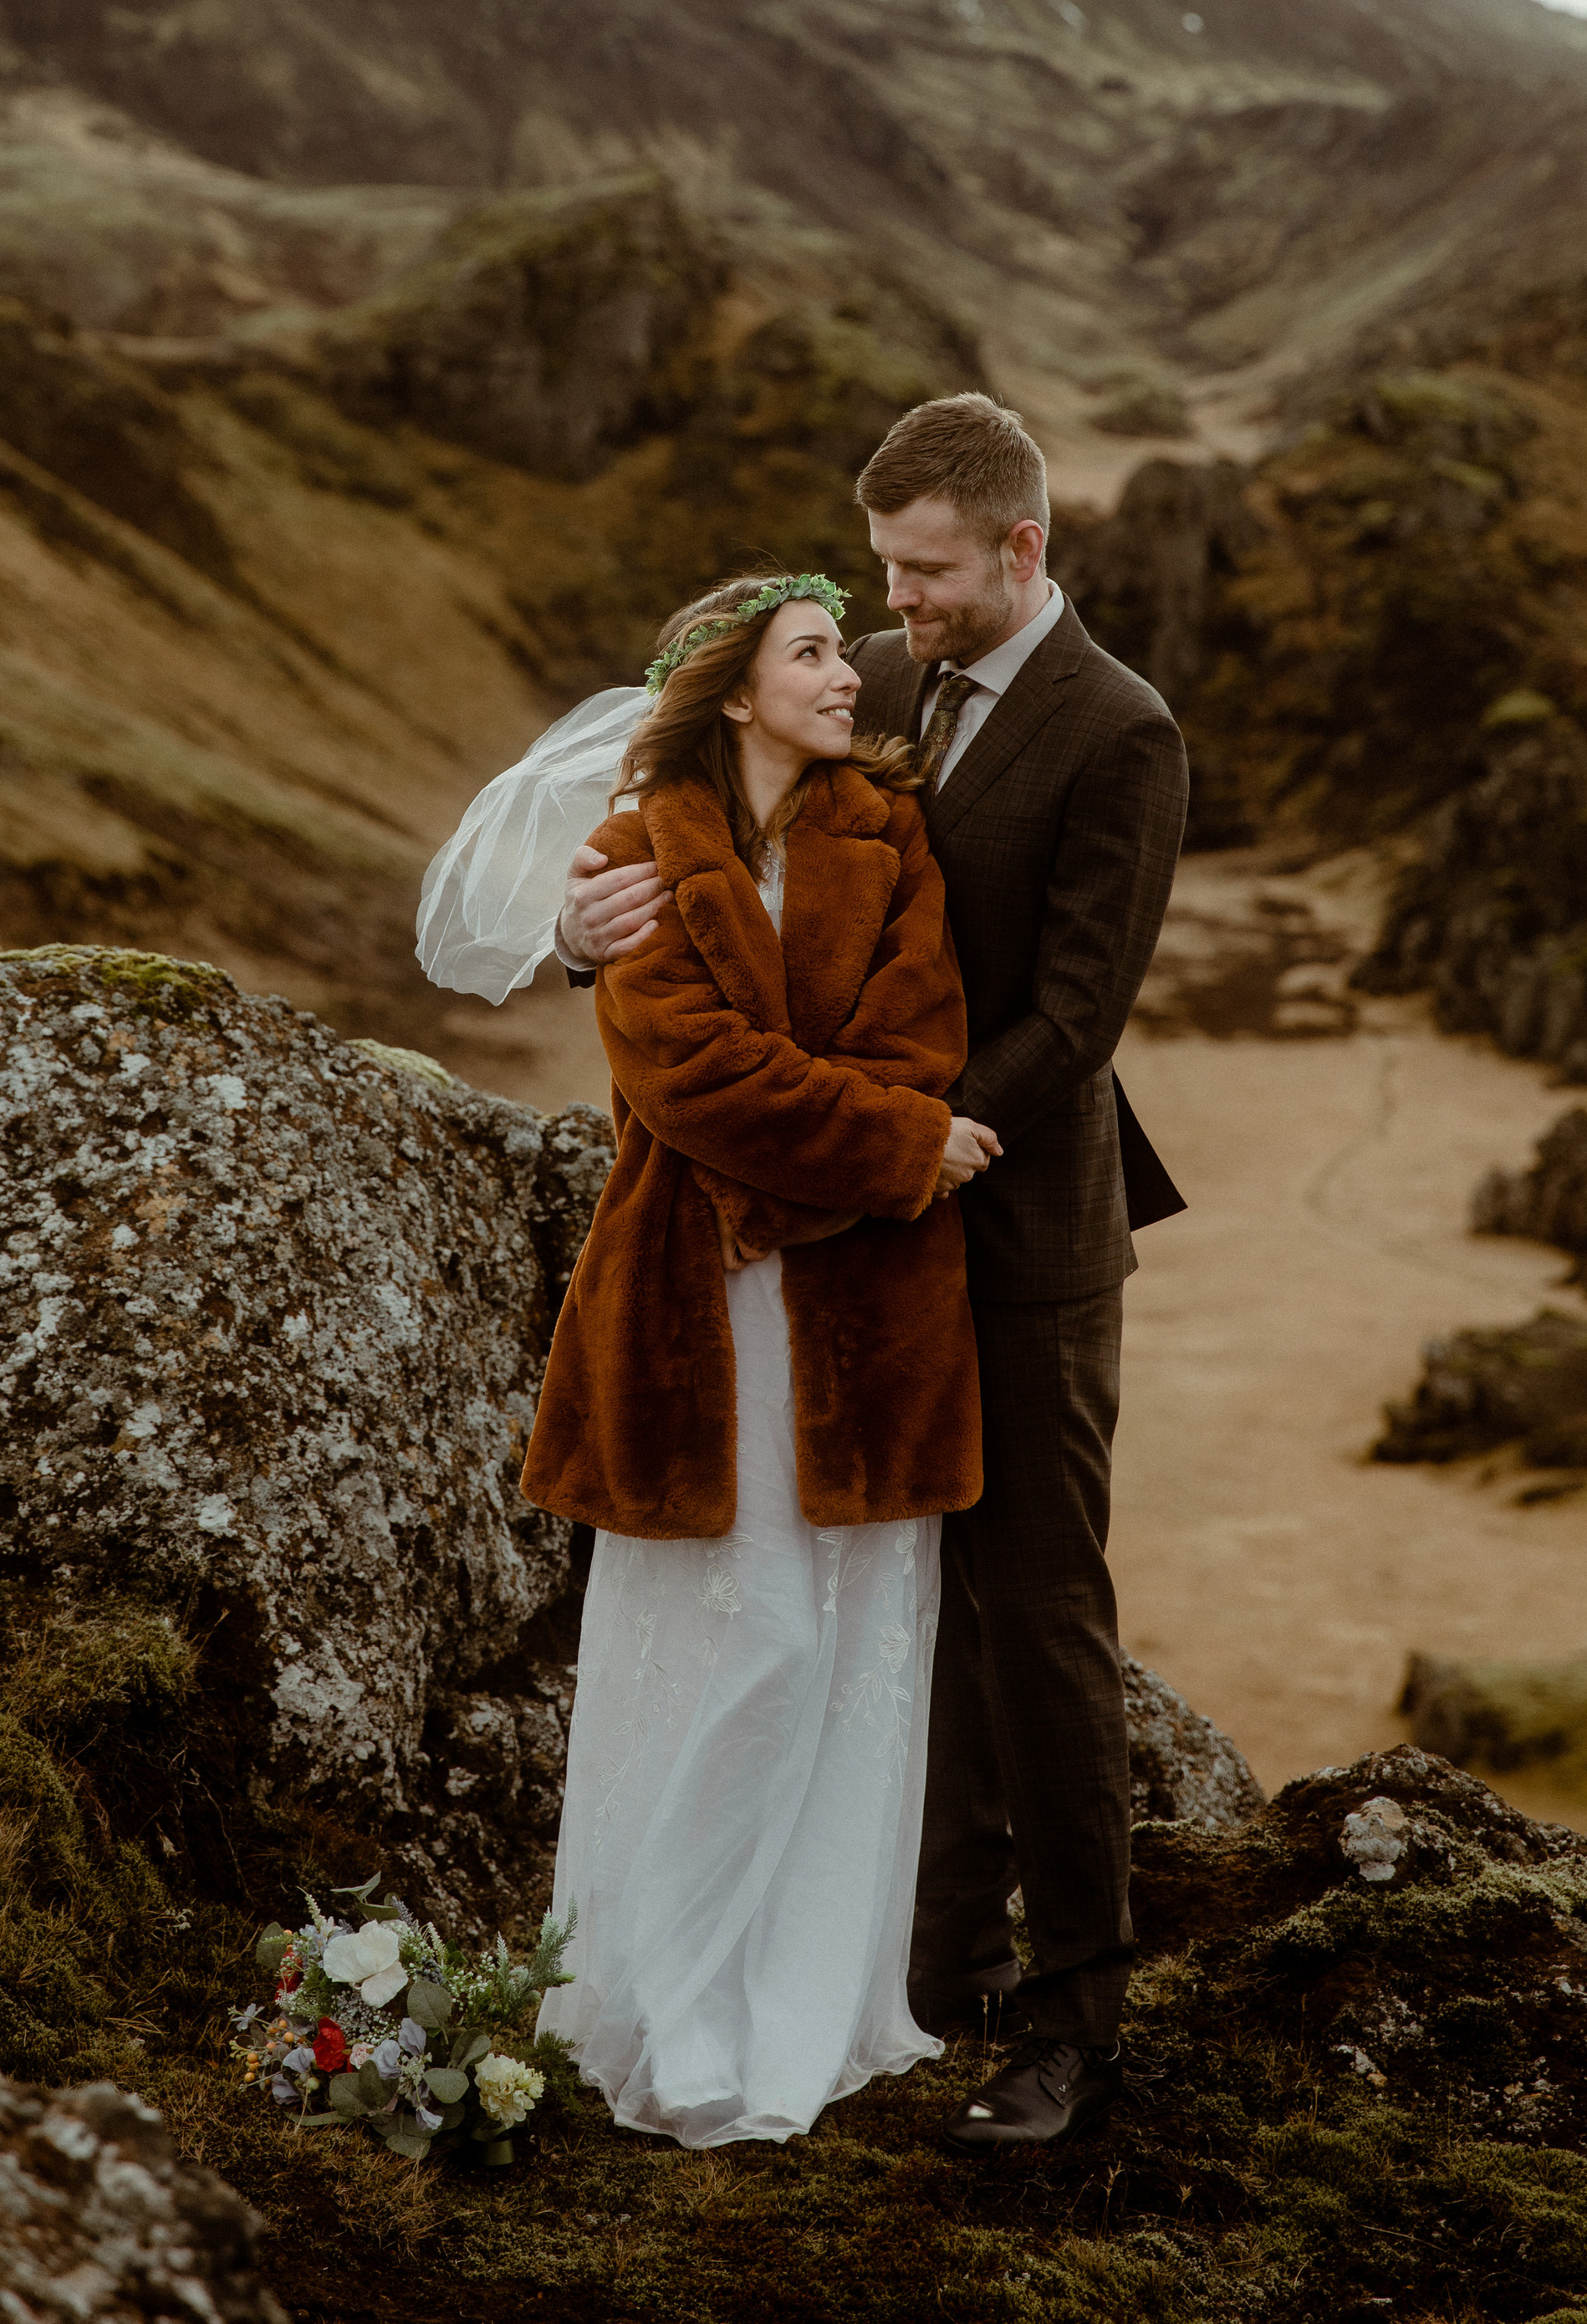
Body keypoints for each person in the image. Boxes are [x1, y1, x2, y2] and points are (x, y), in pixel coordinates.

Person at [558, 395, 1189, 2150]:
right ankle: (929, 1960)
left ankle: (1075, 2022)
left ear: (1020, 550)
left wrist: (920, 1138)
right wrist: (577, 931)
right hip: (858, 1238)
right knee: (904, 1600)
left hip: (1018, 1228)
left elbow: (1079, 1011)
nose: (891, 607)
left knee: (1036, 1611)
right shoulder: (876, 688)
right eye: (880, 576)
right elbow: (704, 846)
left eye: (923, 573)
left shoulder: (1120, 731)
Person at [518, 568, 999, 2147]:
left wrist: (804, 1172)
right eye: (812, 654)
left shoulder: (892, 834)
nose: (849, 674)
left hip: (871, 1312)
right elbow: (689, 1074)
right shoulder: (634, 853)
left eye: (843, 652)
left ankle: (807, 2006)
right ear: (734, 689)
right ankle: (662, 2003)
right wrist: (897, 1152)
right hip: (698, 1306)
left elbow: (919, 1044)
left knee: (854, 1653)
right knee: (756, 1639)